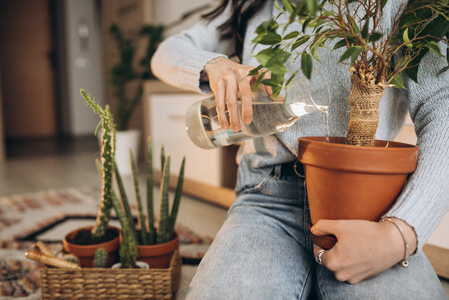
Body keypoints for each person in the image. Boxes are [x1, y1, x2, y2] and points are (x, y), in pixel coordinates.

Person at [151, 0, 448, 298]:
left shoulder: (393, 6)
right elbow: (166, 53)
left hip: (370, 206)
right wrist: (213, 65)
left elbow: (441, 105)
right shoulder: (253, 6)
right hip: (268, 197)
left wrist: (400, 234)